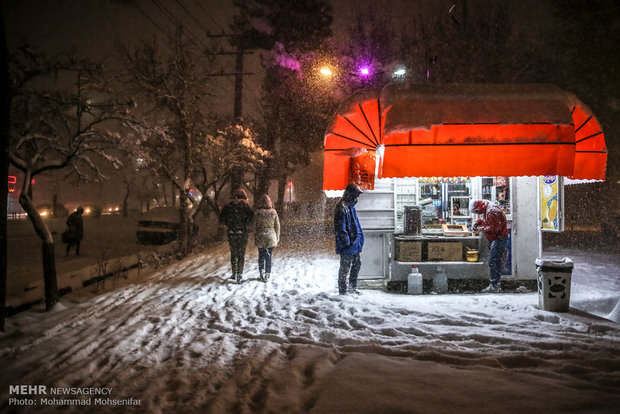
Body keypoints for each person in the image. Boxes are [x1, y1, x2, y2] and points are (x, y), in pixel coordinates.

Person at [470, 199, 509, 293]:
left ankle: (495, 285)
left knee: (494, 261)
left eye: (477, 211)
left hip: (499, 238)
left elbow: (494, 228)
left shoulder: (492, 212)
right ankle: (495, 284)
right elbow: (484, 218)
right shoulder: (487, 208)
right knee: (495, 261)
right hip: (497, 238)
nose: (478, 213)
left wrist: (482, 228)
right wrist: (477, 222)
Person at [334, 183, 364, 295]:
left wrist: (359, 240)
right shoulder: (342, 207)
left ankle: (352, 288)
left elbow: (355, 225)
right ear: (350, 194)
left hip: (354, 243)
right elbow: (340, 228)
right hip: (348, 244)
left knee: (356, 265)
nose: (358, 197)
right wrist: (347, 242)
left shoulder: (350, 206)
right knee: (345, 268)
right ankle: (343, 291)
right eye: (356, 194)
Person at [220, 189, 254, 283]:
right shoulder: (246, 207)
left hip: (232, 233)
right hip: (242, 233)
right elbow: (251, 219)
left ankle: (234, 272)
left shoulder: (228, 207)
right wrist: (245, 226)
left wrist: (229, 224)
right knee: (241, 254)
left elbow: (222, 218)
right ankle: (239, 274)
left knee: (233, 253)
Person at [253, 194, 280, 282]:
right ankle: (267, 274)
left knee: (261, 255)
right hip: (271, 236)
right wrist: (277, 237)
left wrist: (256, 232)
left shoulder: (257, 212)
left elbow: (253, 226)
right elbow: (277, 226)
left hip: (261, 235)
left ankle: (261, 274)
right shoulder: (273, 212)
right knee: (268, 256)